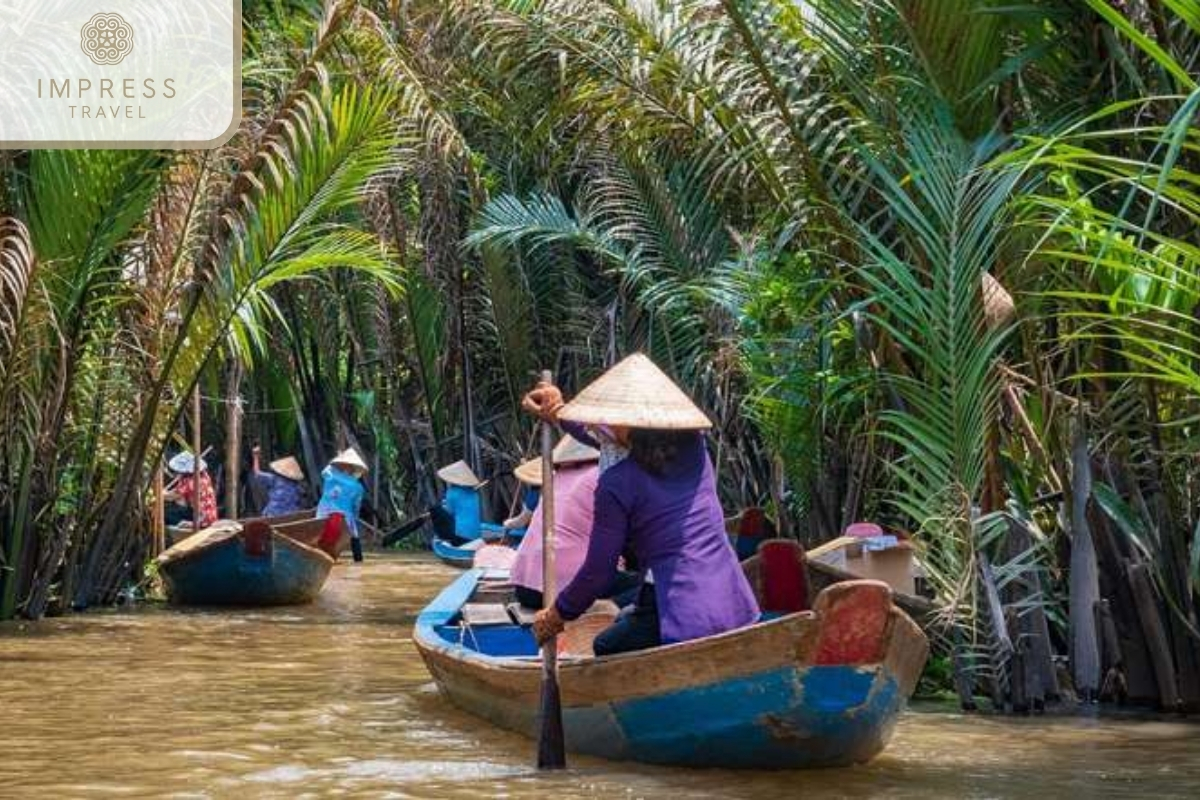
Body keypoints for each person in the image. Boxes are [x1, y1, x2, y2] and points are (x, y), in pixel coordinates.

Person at [524, 353, 760, 656]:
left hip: (678, 609)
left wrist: (557, 614)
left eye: (604, 421)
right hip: (732, 600)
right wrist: (557, 411)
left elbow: (597, 572)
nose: (597, 427)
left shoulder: (617, 483)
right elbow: (611, 441)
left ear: (627, 426)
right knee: (625, 617)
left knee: (605, 646)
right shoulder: (694, 448)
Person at [510, 436, 602, 610]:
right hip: (560, 589)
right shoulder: (598, 476)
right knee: (641, 587)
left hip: (524, 588)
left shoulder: (554, 478)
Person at [317, 448, 368, 562]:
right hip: (345, 516)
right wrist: (355, 517)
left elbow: (326, 470)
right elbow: (356, 507)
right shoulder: (358, 487)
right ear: (354, 470)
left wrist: (337, 458)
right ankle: (358, 561)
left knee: (318, 528)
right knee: (354, 535)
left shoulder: (330, 474)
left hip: (323, 513)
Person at [434, 460, 487, 545]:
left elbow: (449, 514)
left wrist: (443, 508)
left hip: (460, 535)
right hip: (477, 535)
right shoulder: (474, 493)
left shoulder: (451, 493)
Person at [164, 451, 218, 529]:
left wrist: (162, 494)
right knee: (179, 507)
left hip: (202, 519)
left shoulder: (190, 481)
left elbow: (173, 496)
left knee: (167, 514)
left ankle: (185, 529)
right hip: (211, 516)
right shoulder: (205, 475)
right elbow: (179, 495)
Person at [250, 447, 307, 517]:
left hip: (274, 513)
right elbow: (302, 497)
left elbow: (257, 473)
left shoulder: (274, 478)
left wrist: (255, 457)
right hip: (292, 513)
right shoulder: (296, 484)